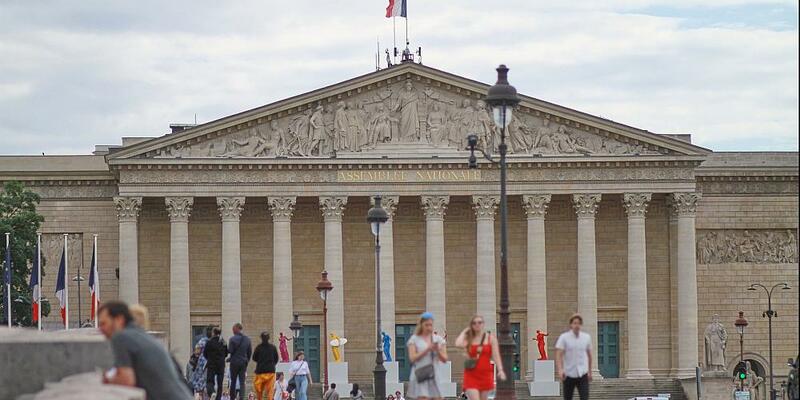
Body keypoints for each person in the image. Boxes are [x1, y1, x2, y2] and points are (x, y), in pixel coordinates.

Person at [98, 301, 193, 400]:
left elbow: (126, 380)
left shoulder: (121, 337)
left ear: (119, 319)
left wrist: (106, 379)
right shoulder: (140, 336)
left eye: (103, 323)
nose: (100, 329)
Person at [455, 315, 506, 400]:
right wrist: (465, 331)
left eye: (479, 322)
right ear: (471, 325)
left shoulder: (490, 338)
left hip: (485, 374)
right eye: (474, 323)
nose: (477, 325)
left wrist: (500, 370)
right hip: (471, 374)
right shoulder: (469, 338)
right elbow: (458, 343)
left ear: (483, 324)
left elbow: (496, 355)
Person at [407, 312, 448, 400]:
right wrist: (428, 349)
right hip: (421, 373)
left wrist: (437, 350)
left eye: (430, 325)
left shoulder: (438, 339)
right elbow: (412, 358)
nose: (429, 327)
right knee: (423, 397)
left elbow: (444, 359)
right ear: (421, 325)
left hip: (434, 373)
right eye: (426, 325)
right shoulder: (414, 339)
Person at [555, 314, 593, 400]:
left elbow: (589, 355)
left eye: (579, 323)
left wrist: (590, 371)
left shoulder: (586, 337)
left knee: (585, 397)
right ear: (571, 325)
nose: (577, 325)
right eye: (575, 323)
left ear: (581, 325)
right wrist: (560, 370)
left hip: (582, 373)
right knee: (568, 397)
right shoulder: (564, 337)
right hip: (568, 373)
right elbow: (558, 354)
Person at [228, 323, 253, 400]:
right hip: (243, 363)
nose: (232, 331)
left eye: (233, 329)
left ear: (237, 329)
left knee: (233, 381)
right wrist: (247, 361)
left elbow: (230, 351)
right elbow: (249, 352)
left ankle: (232, 397)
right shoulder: (247, 339)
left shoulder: (232, 339)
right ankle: (241, 398)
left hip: (234, 363)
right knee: (242, 382)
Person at [253, 331, 280, 400]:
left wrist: (260, 362)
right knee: (270, 391)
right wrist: (271, 364)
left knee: (259, 390)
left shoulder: (258, 347)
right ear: (269, 338)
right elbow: (276, 359)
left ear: (261, 338)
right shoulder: (273, 347)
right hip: (270, 372)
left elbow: (254, 358)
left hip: (260, 371)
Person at [205, 327, 228, 400]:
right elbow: (226, 354)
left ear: (213, 333)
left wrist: (209, 358)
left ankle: (212, 393)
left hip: (211, 364)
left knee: (210, 381)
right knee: (220, 383)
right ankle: (218, 398)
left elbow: (205, 353)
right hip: (221, 365)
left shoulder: (209, 342)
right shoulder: (223, 342)